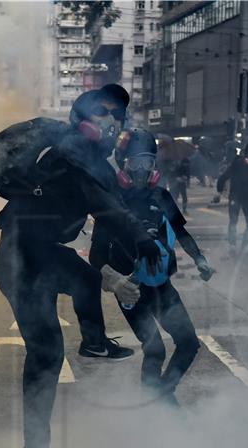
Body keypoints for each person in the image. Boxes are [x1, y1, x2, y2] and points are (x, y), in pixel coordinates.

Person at [0, 86, 163, 448]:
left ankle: (93, 343)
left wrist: (125, 258)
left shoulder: (88, 160)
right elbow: (110, 211)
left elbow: (109, 210)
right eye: (103, 113)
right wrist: (142, 240)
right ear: (82, 116)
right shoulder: (70, 153)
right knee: (46, 352)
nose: (111, 122)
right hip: (20, 258)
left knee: (84, 280)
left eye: (117, 116)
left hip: (45, 253)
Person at [90, 128, 213, 403]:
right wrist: (115, 282)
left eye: (148, 162)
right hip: (132, 291)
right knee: (154, 350)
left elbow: (181, 232)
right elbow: (96, 256)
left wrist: (200, 259)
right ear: (123, 164)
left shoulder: (161, 197)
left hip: (162, 286)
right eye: (135, 162)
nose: (142, 170)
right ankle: (156, 407)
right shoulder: (111, 202)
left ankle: (162, 394)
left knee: (189, 343)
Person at [215, 143, 248, 251]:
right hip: (235, 195)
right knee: (233, 220)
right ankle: (232, 244)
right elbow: (224, 176)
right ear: (246, 154)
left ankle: (244, 246)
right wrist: (219, 190)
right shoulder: (238, 162)